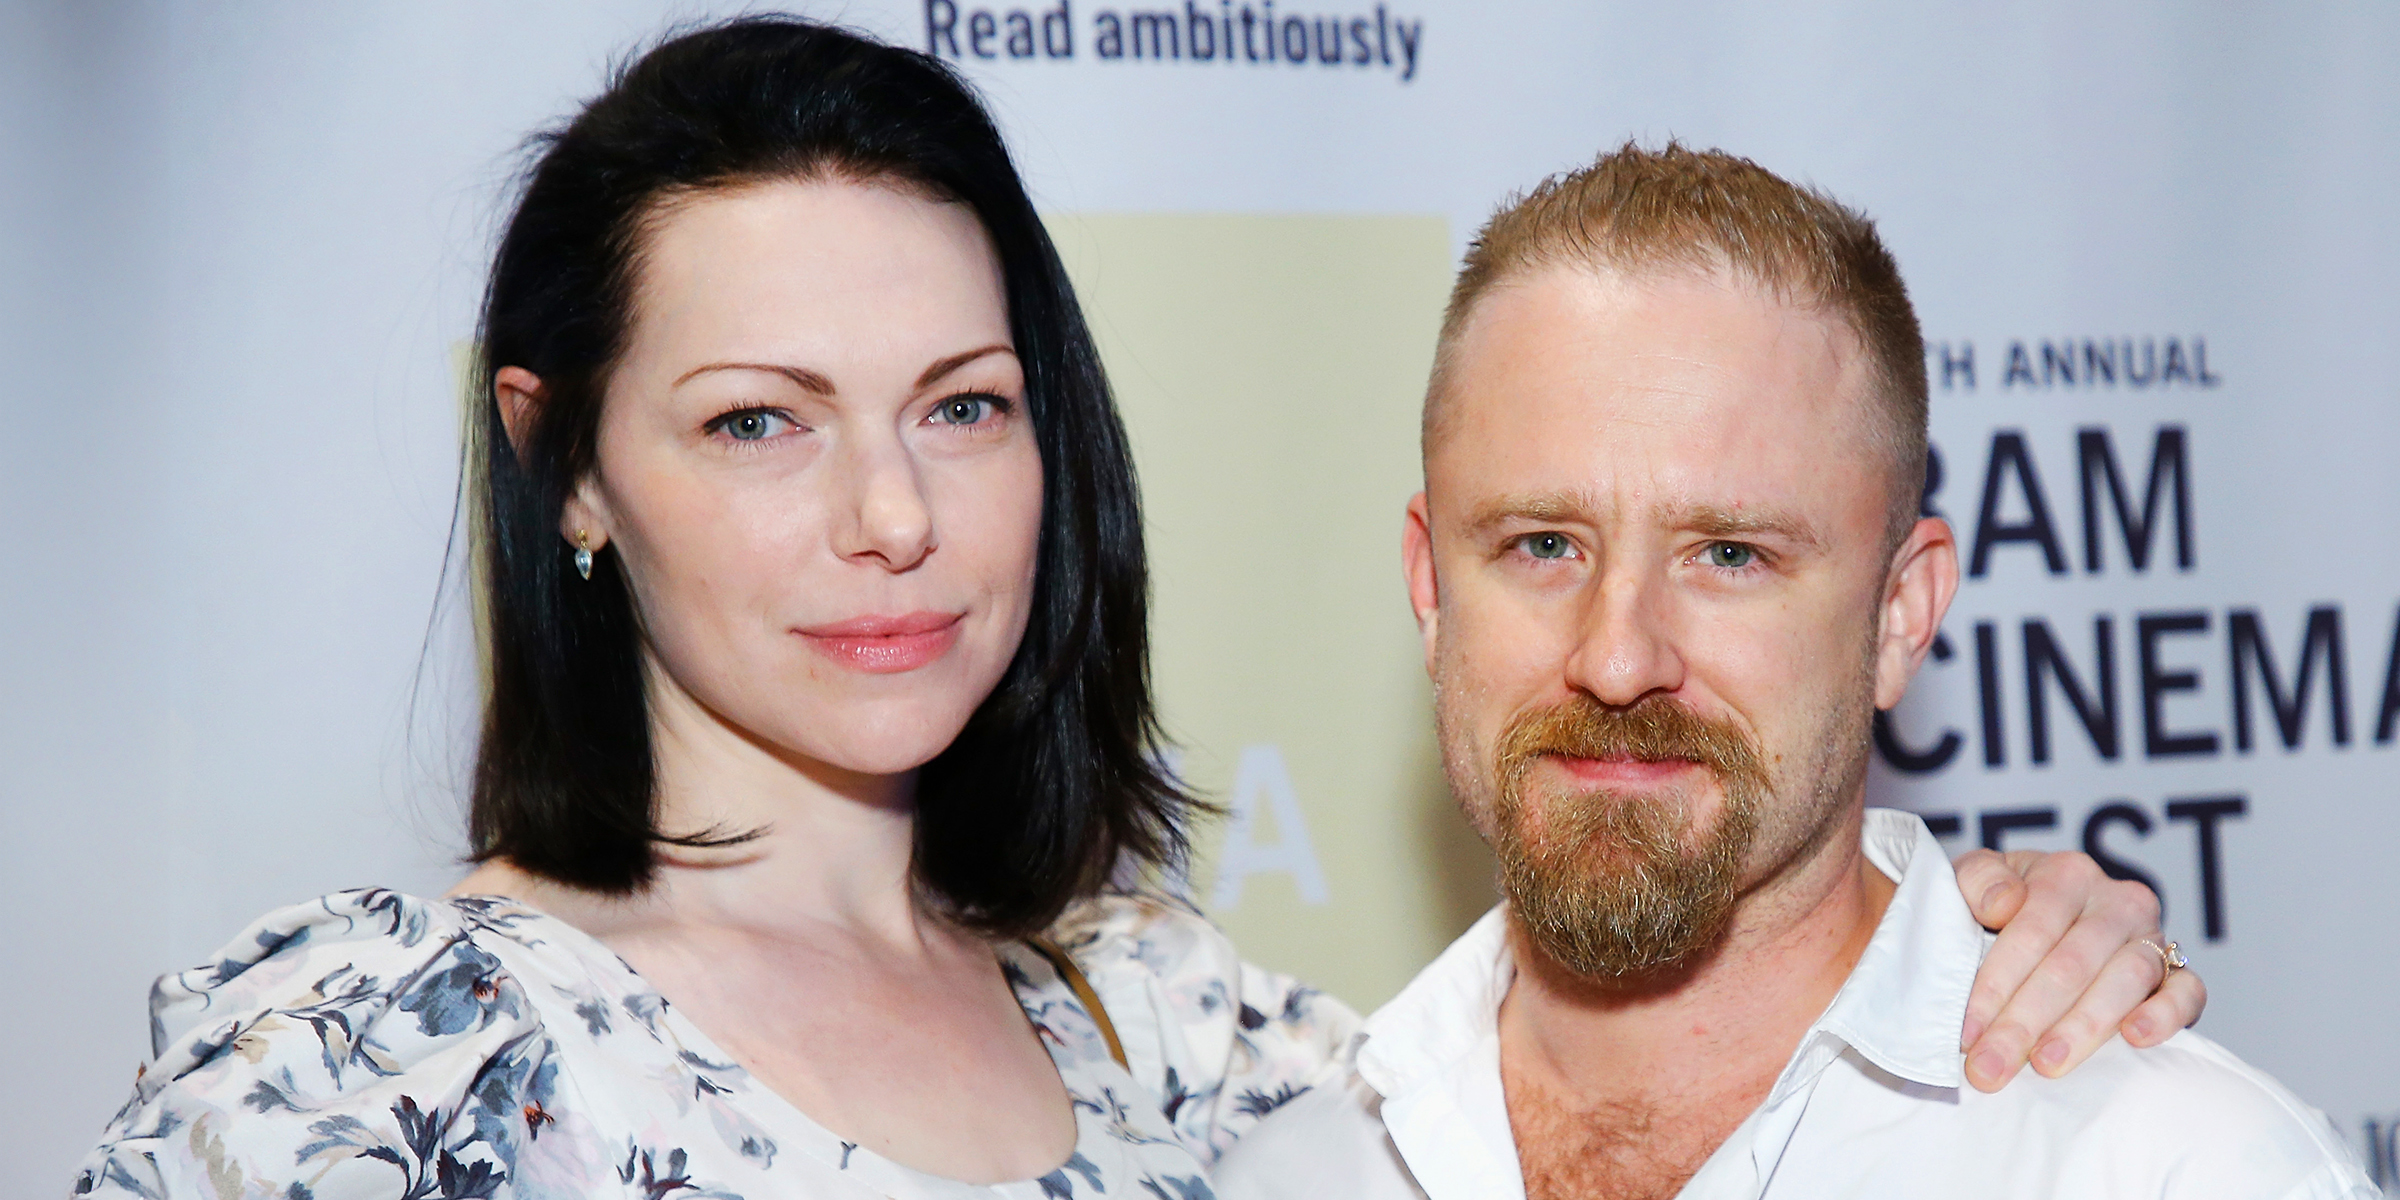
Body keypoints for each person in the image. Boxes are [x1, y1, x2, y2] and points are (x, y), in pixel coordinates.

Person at [75, 21, 2204, 1200]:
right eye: (756, 424)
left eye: (964, 405)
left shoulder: (1185, 1033)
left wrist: (1952, 929)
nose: (893, 516)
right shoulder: (362, 1072)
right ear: (567, 469)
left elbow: (1656, 1045)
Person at [1212, 144, 2371, 1200]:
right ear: (1430, 589)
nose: (1617, 660)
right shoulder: (1297, 1176)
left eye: (1728, 555)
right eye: (1544, 545)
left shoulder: (2175, 1173)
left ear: (1900, 616)